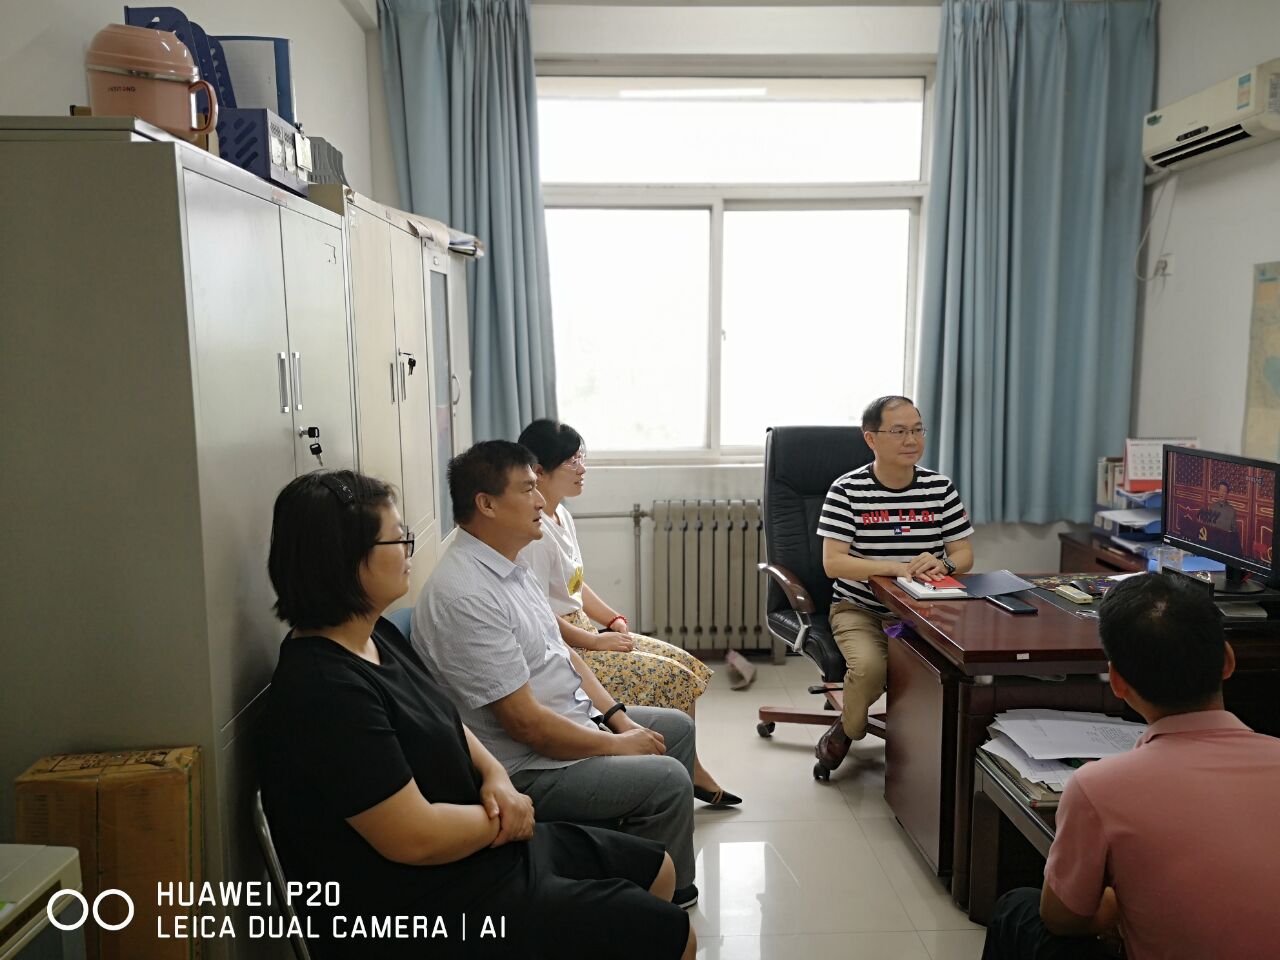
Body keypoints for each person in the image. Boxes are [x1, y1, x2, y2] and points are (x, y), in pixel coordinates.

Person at [258, 470, 695, 960]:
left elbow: (447, 715)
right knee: (674, 934)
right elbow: (414, 838)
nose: (409, 549)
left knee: (659, 870)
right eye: (397, 538)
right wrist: (507, 819)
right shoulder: (325, 691)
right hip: (428, 899)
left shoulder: (375, 635)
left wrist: (496, 779)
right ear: (343, 559)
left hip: (479, 843)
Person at [413, 441, 701, 908]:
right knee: (666, 779)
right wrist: (616, 745)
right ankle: (660, 904)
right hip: (529, 769)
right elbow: (527, 726)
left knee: (678, 729)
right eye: (527, 489)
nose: (540, 500)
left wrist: (619, 718)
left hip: (568, 723)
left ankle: (645, 869)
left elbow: (562, 654)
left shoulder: (510, 563)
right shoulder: (467, 596)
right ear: (486, 504)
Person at [981, 572, 1280, 960]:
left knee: (1016, 911)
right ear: (1227, 660)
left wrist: (1117, 906)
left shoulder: (1097, 787)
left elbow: (1061, 919)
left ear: (1117, 682)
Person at [516, 418, 740, 808]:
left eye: (581, 457)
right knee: (671, 677)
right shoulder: (535, 534)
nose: (582, 468)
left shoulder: (561, 516)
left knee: (685, 666)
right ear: (539, 471)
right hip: (565, 642)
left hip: (583, 630)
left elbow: (575, 585)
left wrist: (610, 618)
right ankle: (679, 774)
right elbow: (540, 616)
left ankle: (686, 766)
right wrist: (594, 641)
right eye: (571, 460)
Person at [814, 395, 975, 769]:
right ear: (871, 439)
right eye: (900, 431)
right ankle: (848, 728)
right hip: (861, 609)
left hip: (927, 610)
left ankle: (933, 756)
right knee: (871, 670)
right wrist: (895, 568)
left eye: (917, 430)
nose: (912, 440)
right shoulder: (846, 490)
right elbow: (833, 564)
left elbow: (965, 555)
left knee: (955, 671)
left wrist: (944, 562)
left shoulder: (939, 488)